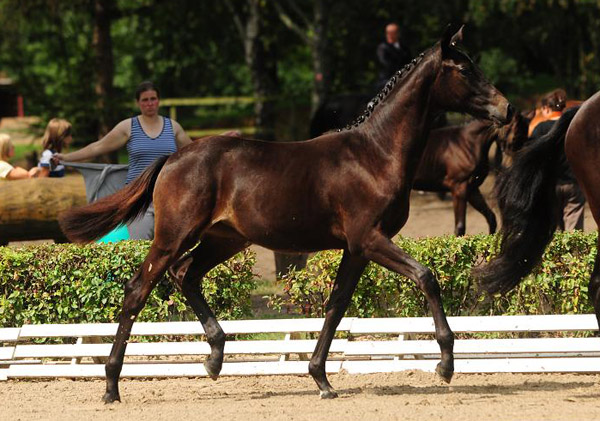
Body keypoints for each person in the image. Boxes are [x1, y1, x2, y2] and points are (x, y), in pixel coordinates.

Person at [52, 81, 195, 240]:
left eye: (153, 99)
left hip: (168, 195)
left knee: (170, 243)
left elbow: (195, 152)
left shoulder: (172, 127)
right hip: (139, 197)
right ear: (138, 103)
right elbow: (97, 147)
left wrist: (222, 140)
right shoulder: (129, 126)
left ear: (158, 100)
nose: (149, 103)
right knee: (139, 242)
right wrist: (66, 157)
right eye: (145, 100)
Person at [530, 89, 585, 231]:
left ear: (546, 108)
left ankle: (555, 253)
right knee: (574, 228)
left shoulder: (540, 128)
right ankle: (574, 252)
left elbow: (532, 157)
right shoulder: (573, 126)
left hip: (549, 184)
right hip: (573, 183)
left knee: (551, 228)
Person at [376, 22, 412, 91]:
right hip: (387, 79)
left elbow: (409, 62)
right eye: (388, 33)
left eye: (393, 33)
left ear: (398, 34)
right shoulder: (382, 48)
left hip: (405, 76)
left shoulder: (405, 48)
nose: (390, 35)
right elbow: (386, 64)